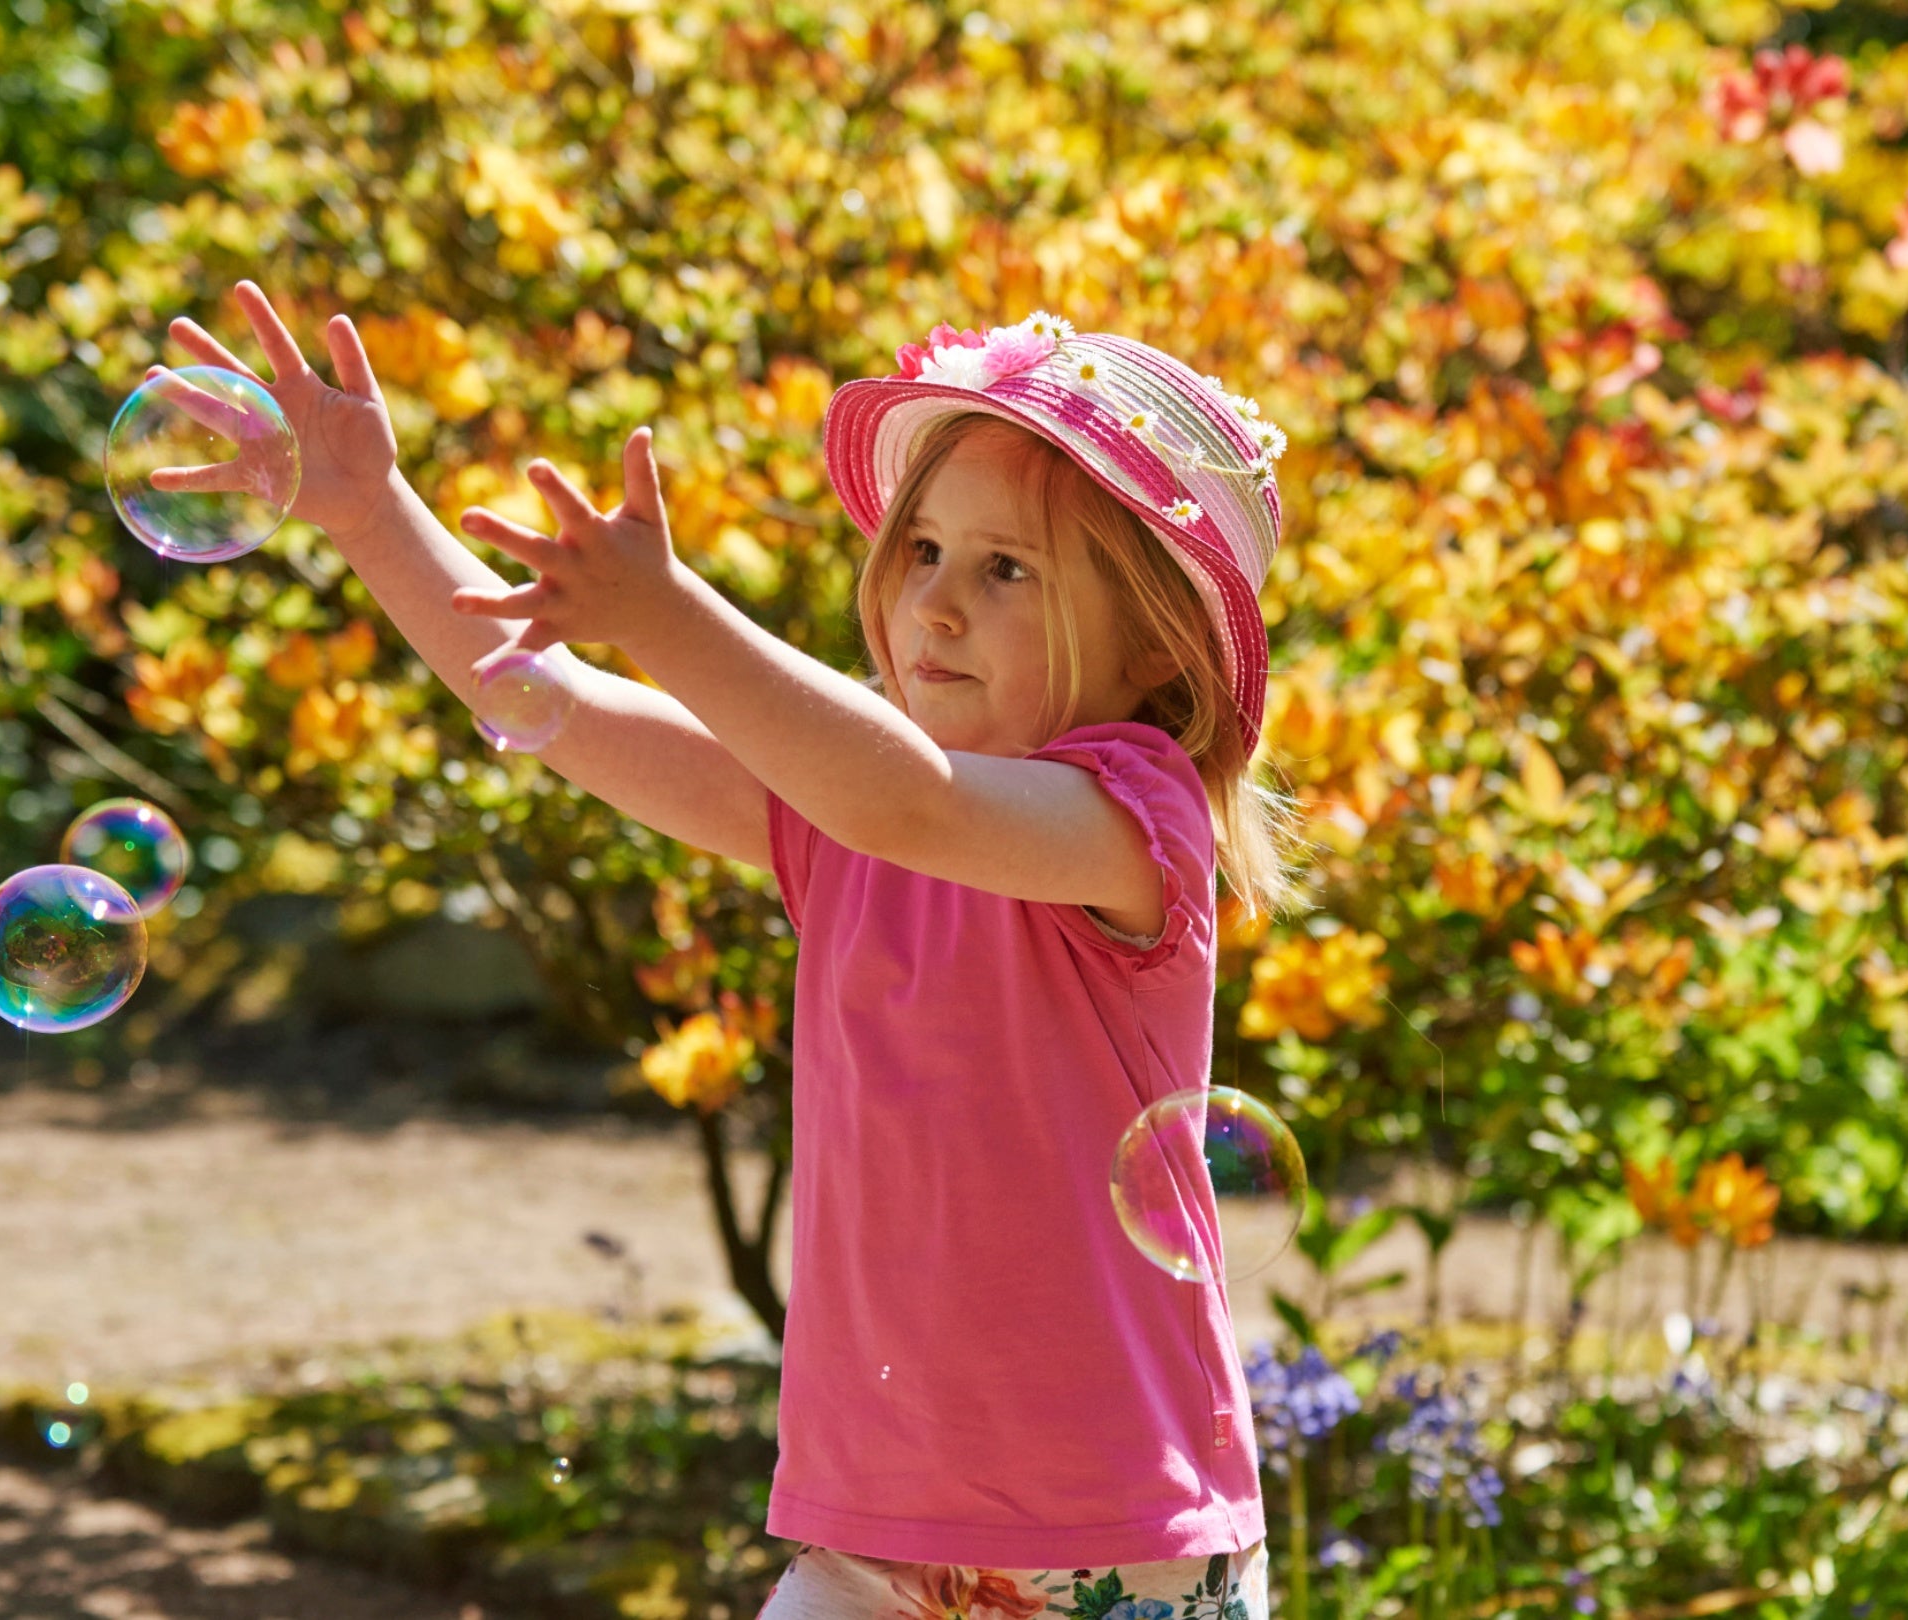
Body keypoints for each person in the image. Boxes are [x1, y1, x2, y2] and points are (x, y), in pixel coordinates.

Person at [150, 282, 1309, 1620]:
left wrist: (667, 612)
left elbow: (911, 796)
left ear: (1159, 653)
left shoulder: (1132, 816)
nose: (934, 605)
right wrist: (371, 514)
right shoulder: (835, 813)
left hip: (1116, 1533)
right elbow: (549, 700)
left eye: (1008, 570)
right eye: (923, 548)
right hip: (873, 1522)